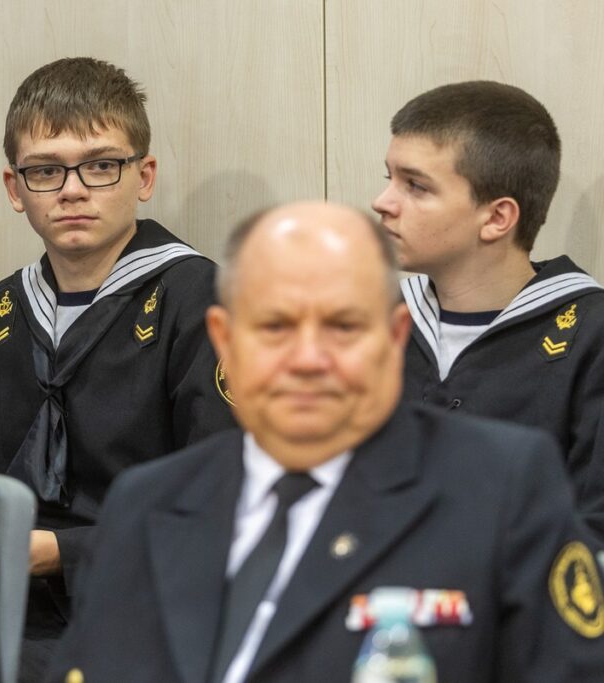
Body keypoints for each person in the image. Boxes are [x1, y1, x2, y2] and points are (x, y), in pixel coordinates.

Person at [49, 202, 604, 683]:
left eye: (342, 327)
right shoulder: (146, 504)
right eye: (275, 327)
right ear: (225, 341)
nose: (308, 359)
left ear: (392, 338)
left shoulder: (501, 489)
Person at [0, 57, 236, 678]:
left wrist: (56, 551)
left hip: (147, 606)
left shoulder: (196, 297)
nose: (72, 189)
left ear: (144, 175)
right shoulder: (2, 306)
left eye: (101, 165)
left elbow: (221, 501)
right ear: (14, 189)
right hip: (4, 605)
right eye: (45, 170)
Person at [372, 81, 604, 539]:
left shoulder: (590, 337)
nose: (383, 203)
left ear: (497, 218)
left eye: (416, 186)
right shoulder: (372, 321)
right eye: (389, 179)